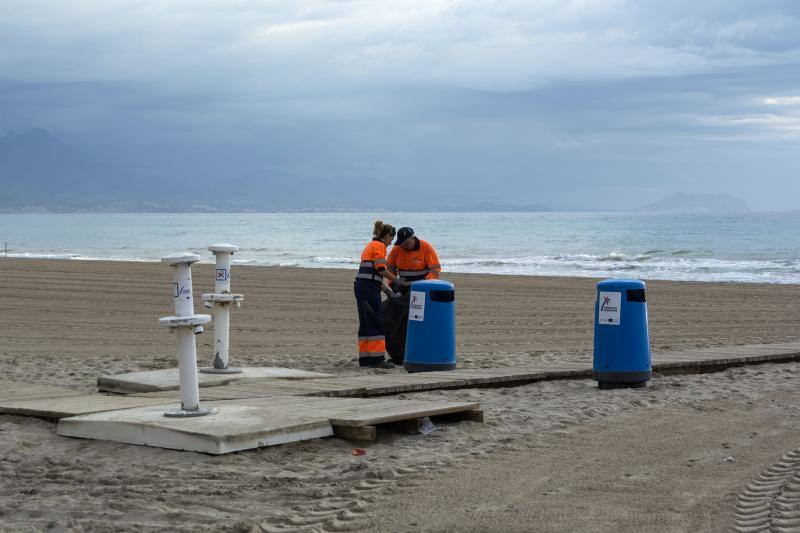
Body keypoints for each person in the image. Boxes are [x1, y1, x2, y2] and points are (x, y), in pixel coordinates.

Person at [354, 221, 399, 369]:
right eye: (391, 239)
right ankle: (377, 359)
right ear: (386, 236)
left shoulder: (370, 246)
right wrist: (396, 279)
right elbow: (380, 270)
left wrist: (388, 291)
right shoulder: (379, 246)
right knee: (376, 321)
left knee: (366, 322)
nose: (391, 243)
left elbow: (372, 276)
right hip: (368, 290)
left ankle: (366, 359)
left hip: (362, 287)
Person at [387, 227, 441, 293]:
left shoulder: (426, 247)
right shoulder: (396, 249)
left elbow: (435, 270)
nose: (404, 247)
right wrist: (393, 284)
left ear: (413, 238)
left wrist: (424, 284)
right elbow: (390, 267)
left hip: (422, 289)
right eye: (402, 245)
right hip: (402, 289)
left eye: (406, 244)